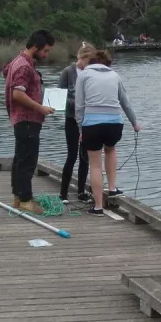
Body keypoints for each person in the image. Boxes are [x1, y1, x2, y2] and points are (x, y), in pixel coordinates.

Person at [74, 47, 141, 216]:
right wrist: (135, 123)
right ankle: (112, 188)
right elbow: (125, 102)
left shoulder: (83, 75)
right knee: (110, 150)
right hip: (114, 123)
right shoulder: (115, 75)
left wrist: (80, 128)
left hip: (92, 124)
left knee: (95, 164)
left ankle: (98, 206)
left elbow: (79, 106)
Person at [3, 29, 55, 214]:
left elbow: (8, 75)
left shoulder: (18, 62)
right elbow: (17, 93)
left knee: (20, 159)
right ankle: (26, 200)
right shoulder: (24, 66)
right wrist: (40, 108)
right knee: (27, 162)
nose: (46, 55)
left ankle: (18, 197)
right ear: (35, 47)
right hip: (26, 120)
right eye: (45, 51)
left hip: (22, 119)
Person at [56, 42, 93, 204]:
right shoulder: (68, 72)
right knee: (71, 155)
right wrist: (79, 103)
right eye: (88, 61)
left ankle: (81, 191)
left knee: (85, 157)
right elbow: (59, 97)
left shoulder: (91, 73)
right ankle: (63, 193)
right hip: (71, 118)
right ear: (81, 58)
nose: (90, 65)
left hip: (87, 120)